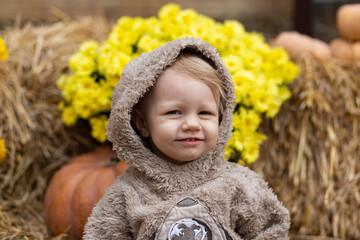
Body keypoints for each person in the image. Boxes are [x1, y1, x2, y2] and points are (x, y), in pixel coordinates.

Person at [83, 37, 290, 240]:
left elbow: (272, 230)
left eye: (204, 113)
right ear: (143, 124)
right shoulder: (127, 195)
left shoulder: (239, 185)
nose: (192, 124)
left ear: (221, 118)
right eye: (174, 112)